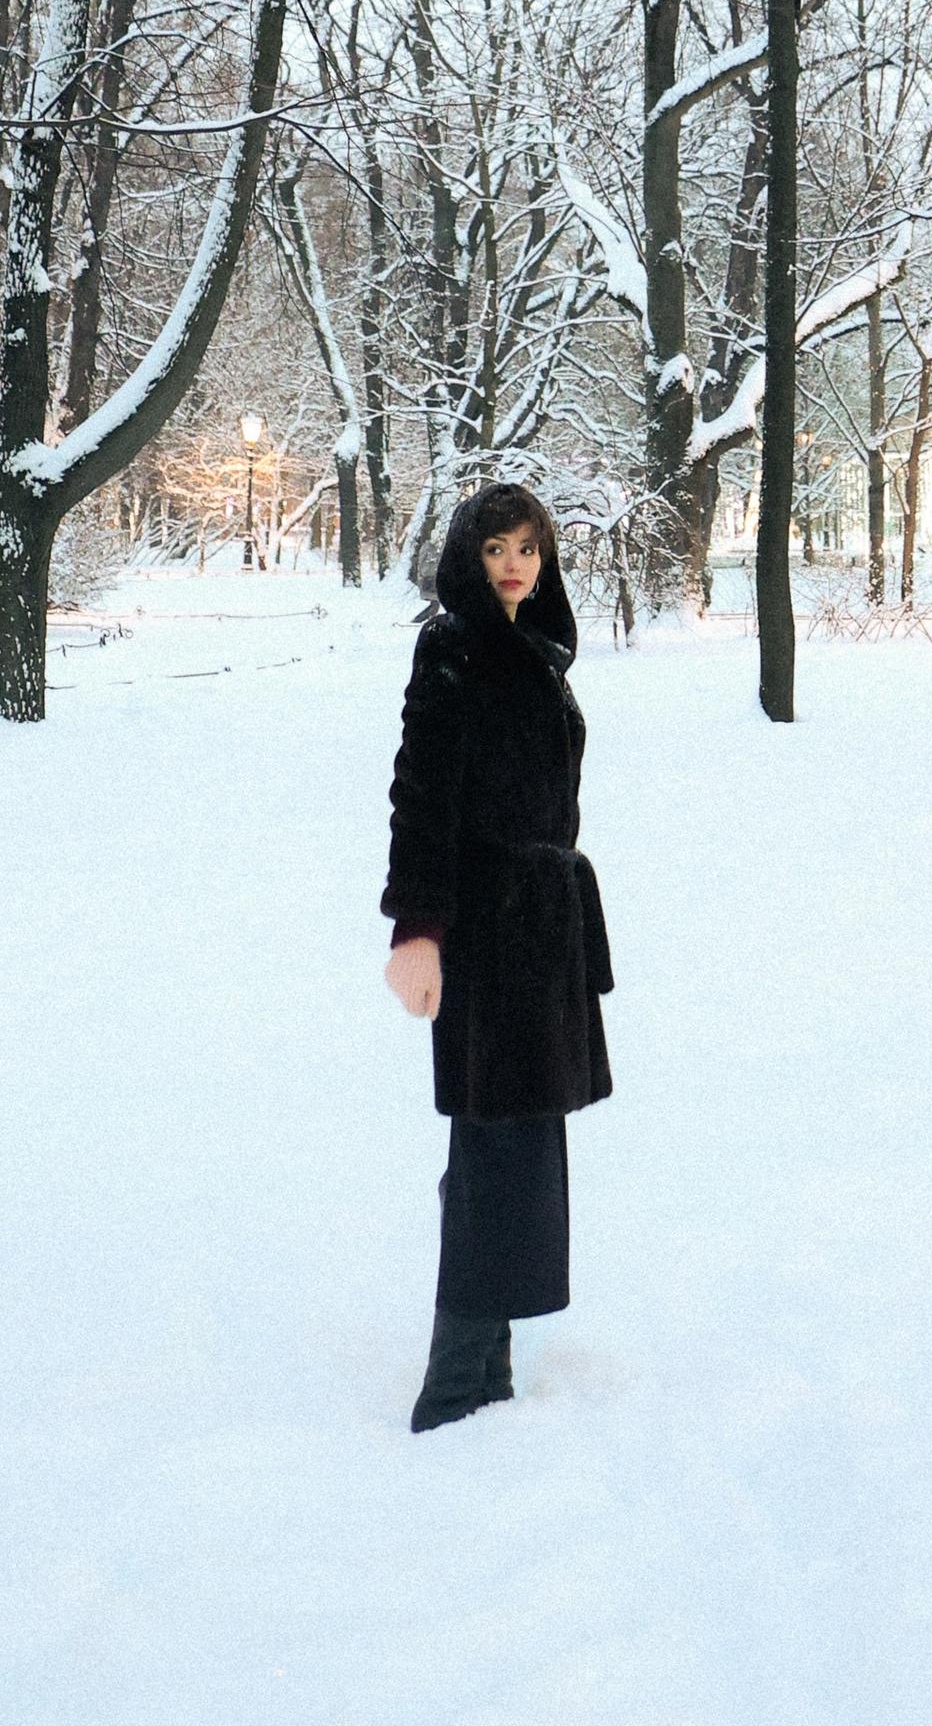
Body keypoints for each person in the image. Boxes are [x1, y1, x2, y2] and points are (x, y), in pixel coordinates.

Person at [380, 483, 614, 1432]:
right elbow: (420, 799)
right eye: (493, 550)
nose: (513, 563)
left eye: (528, 547)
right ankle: (453, 1385)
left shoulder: (542, 654)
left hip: (543, 931)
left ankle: (492, 1369)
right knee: (489, 1144)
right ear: (465, 559)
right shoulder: (453, 651)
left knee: (524, 1143)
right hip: (483, 927)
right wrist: (418, 929)